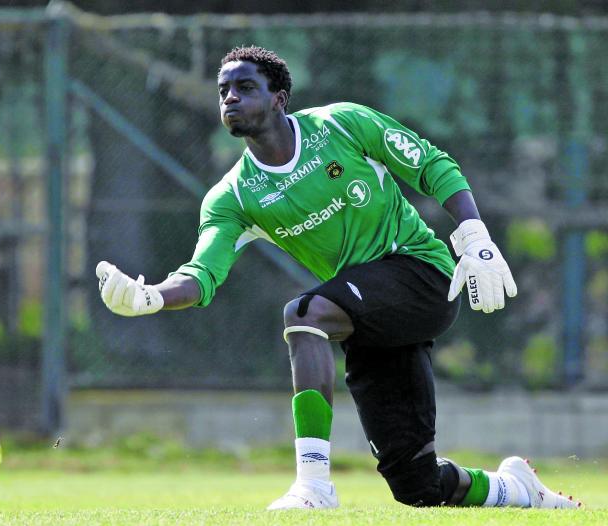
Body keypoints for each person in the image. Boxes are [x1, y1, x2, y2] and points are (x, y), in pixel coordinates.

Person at [94, 46, 582, 510]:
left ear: (279, 98)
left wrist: (474, 234)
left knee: (303, 314)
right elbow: (202, 276)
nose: (230, 98)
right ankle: (514, 487)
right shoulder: (233, 197)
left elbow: (430, 163)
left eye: (244, 87)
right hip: (367, 312)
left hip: (422, 274)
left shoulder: (341, 124)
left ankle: (313, 484)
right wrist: (151, 297)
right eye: (223, 91)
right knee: (417, 484)